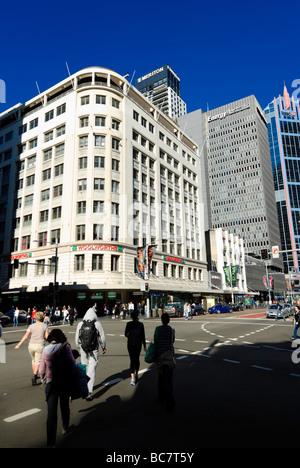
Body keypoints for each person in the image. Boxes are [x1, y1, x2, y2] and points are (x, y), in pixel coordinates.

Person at [39, 329, 76, 448]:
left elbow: (41, 370)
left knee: (51, 413)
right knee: (65, 406)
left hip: (51, 383)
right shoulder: (66, 347)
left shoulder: (45, 349)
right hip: (64, 381)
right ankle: (65, 426)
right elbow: (72, 364)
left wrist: (43, 378)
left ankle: (51, 443)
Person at [75, 307, 106, 401]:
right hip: (94, 349)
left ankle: (82, 388)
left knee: (84, 366)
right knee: (92, 367)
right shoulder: (97, 324)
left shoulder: (80, 323)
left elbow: (77, 337)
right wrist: (103, 347)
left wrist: (78, 346)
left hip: (83, 348)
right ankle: (88, 391)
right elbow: (102, 337)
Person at [15, 311, 49, 385]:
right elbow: (46, 337)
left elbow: (26, 336)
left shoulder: (31, 326)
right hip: (39, 345)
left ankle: (35, 374)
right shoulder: (44, 326)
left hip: (31, 345)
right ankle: (34, 376)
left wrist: (19, 344)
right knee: (38, 362)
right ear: (42, 318)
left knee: (33, 360)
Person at [154, 312, 175, 411]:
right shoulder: (171, 330)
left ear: (161, 320)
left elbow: (155, 341)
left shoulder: (157, 329)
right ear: (169, 320)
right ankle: (170, 400)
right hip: (169, 356)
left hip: (160, 356)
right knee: (169, 380)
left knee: (161, 377)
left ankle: (160, 396)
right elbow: (172, 341)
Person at [124, 310, 146, 385]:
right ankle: (136, 374)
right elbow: (143, 336)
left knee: (132, 359)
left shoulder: (128, 324)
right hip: (138, 344)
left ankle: (132, 377)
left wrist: (130, 336)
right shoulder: (140, 324)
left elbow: (125, 334)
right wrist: (144, 346)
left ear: (131, 316)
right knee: (137, 359)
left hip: (130, 343)